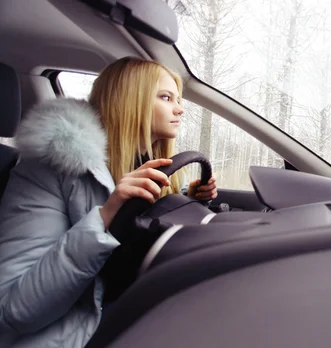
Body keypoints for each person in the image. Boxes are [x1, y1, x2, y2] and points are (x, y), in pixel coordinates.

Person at [0, 57, 217, 347]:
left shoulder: (143, 163)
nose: (180, 109)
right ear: (130, 100)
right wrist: (106, 216)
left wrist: (187, 201)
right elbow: (13, 308)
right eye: (166, 97)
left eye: (178, 99)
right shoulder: (49, 168)